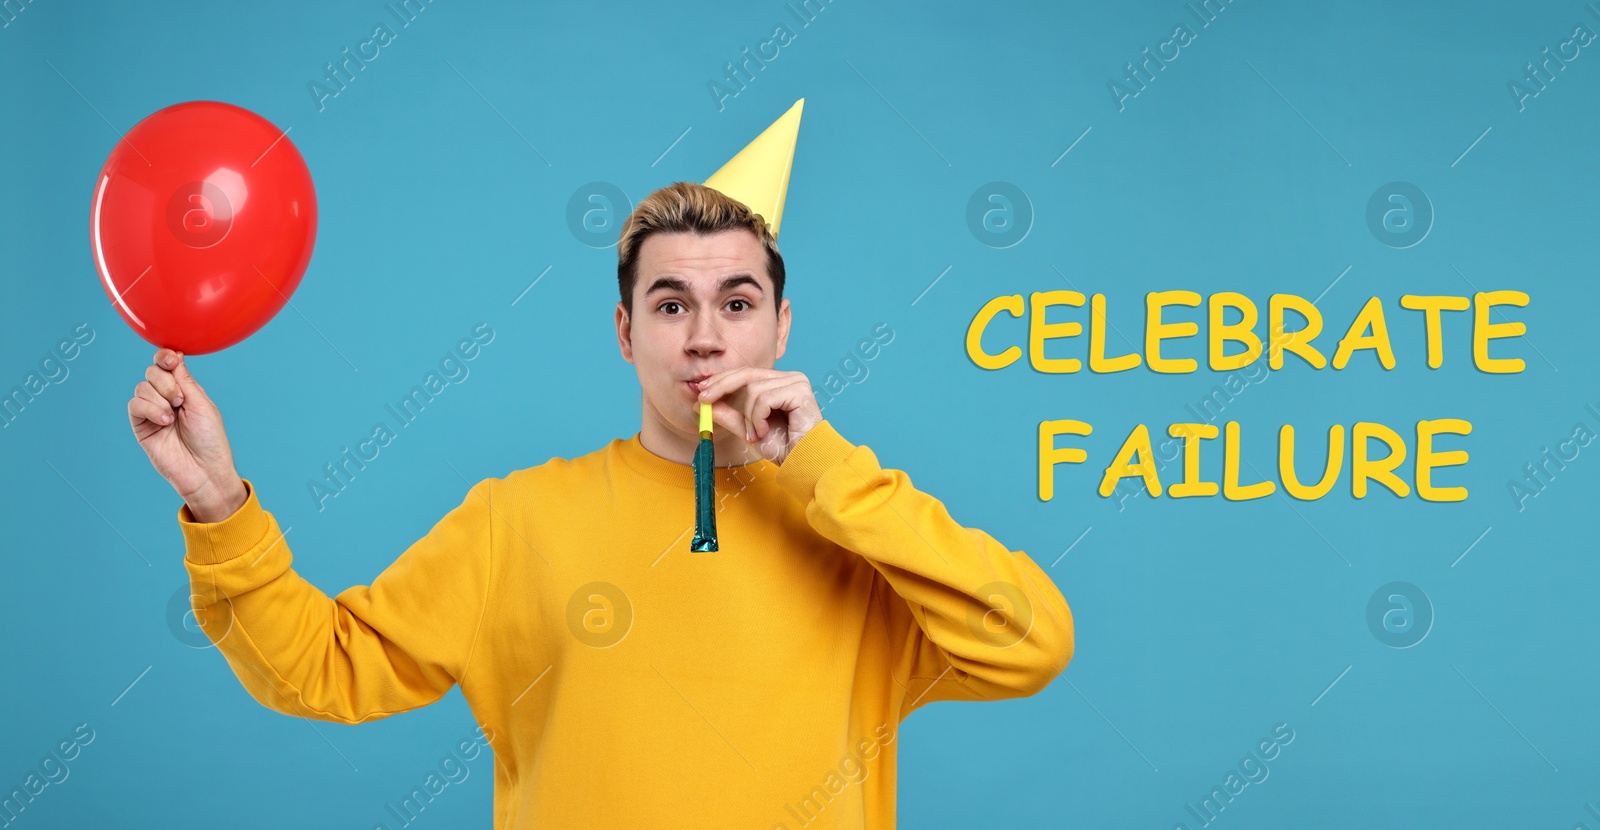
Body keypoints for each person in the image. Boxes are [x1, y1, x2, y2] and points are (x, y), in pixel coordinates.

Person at [129, 109, 1073, 829]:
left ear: (782, 328)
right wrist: (217, 503)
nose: (706, 338)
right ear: (626, 333)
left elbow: (1030, 642)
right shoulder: (517, 520)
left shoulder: (860, 530)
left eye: (737, 302)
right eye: (671, 306)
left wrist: (823, 468)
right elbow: (324, 670)